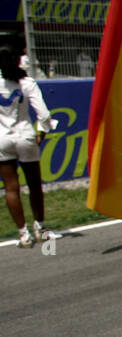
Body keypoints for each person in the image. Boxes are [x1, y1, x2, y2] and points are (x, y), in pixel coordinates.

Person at [0, 46, 56, 248]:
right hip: (26, 136)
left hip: (2, 139)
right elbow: (43, 114)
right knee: (34, 185)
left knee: (11, 188)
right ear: (18, 60)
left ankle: (23, 234)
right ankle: (40, 228)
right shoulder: (27, 82)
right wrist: (41, 132)